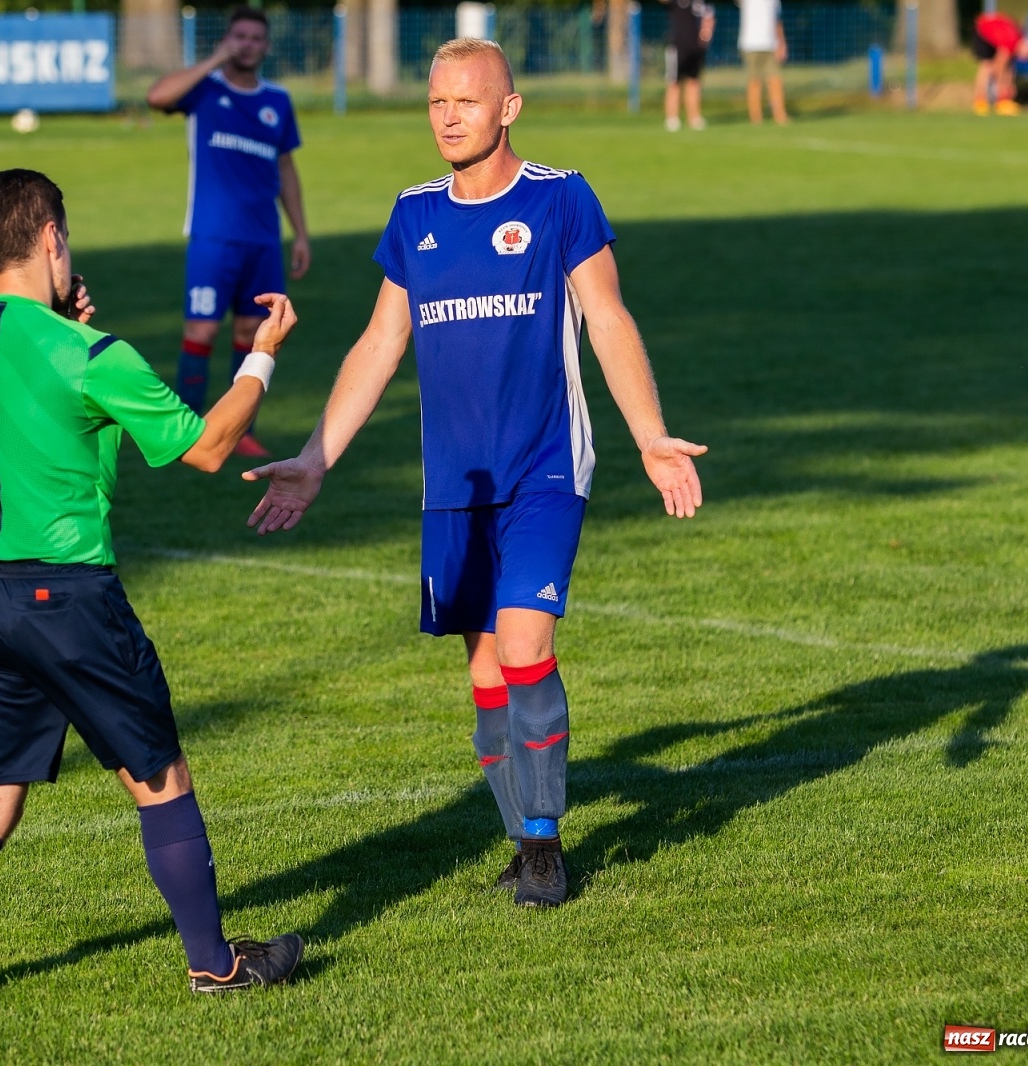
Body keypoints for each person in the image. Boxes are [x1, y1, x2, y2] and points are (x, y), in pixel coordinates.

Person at [241, 40, 706, 909]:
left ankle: (541, 846)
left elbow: (606, 317)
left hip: (543, 469)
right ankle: (520, 832)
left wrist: (649, 436)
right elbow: (382, 343)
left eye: (466, 101)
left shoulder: (561, 198)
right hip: (454, 483)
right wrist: (314, 459)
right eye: (435, 102)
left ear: (508, 109)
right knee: (486, 673)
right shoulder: (415, 215)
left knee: (527, 646)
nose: (448, 116)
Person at [0, 169, 303, 1022]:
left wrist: (63, 341)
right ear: (50, 240)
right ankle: (215, 967)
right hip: (65, 599)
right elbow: (208, 448)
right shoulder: (93, 356)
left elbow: (45, 420)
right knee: (160, 779)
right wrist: (262, 353)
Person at [146, 6, 310, 459]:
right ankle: (185, 430)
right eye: (239, 36)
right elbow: (156, 96)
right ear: (227, 40)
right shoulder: (204, 92)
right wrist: (213, 60)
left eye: (256, 38)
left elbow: (286, 169)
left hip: (262, 241)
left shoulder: (277, 101)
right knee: (200, 331)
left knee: (254, 335)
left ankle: (239, 431)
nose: (247, 45)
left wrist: (299, 233)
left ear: (267, 46)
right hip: (212, 238)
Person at [664, 0, 715, 131]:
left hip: (696, 49)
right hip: (676, 48)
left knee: (694, 82)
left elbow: (709, 18)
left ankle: (694, 118)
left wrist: (705, 36)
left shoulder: (701, 3)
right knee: (674, 83)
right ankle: (672, 118)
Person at [971, 11, 1028, 116]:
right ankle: (980, 102)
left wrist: (1010, 84)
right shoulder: (1010, 42)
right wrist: (1002, 86)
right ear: (1023, 48)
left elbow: (1010, 67)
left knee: (1008, 66)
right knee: (987, 66)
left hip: (993, 30)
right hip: (982, 30)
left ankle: (1003, 101)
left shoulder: (1020, 38)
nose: (1020, 58)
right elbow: (999, 66)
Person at [737, 0, 788, 125]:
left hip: (770, 44)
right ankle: (756, 117)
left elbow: (777, 20)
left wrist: (782, 42)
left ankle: (779, 114)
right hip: (750, 44)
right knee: (755, 81)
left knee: (775, 80)